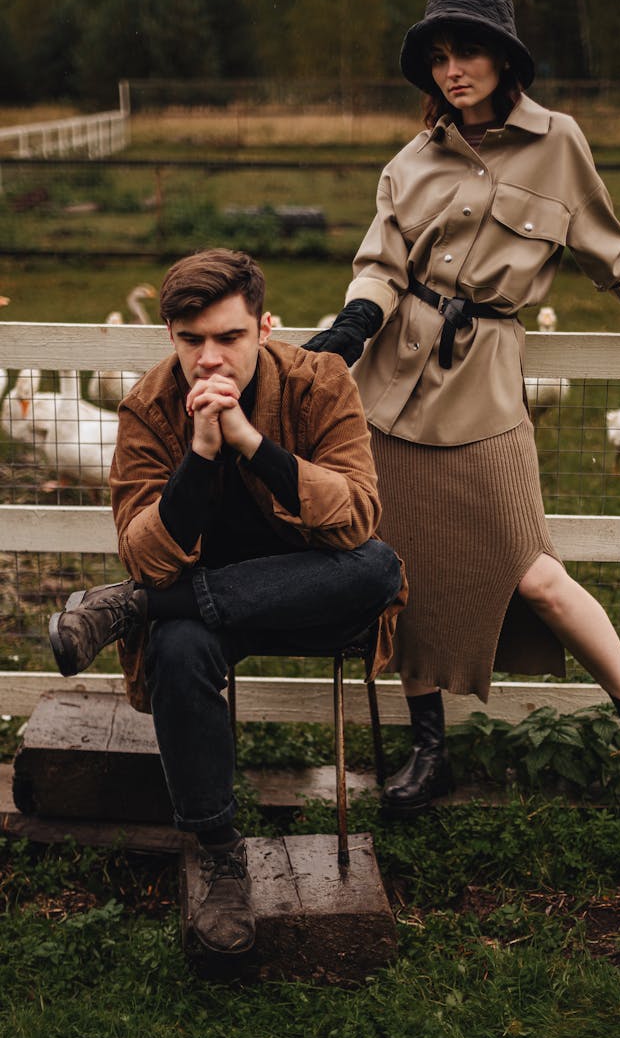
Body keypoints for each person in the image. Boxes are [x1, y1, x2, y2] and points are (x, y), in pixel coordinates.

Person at [305, 0, 620, 827]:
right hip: (390, 392)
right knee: (396, 572)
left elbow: (610, 252)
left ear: (504, 58)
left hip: (485, 390)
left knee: (537, 574)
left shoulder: (559, 143)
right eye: (438, 58)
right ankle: (428, 745)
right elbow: (380, 265)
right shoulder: (409, 162)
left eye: (465, 52)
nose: (451, 71)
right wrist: (353, 326)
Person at [48, 248, 405, 956]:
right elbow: (145, 553)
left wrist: (251, 441)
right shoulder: (151, 407)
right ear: (171, 339)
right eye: (191, 340)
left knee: (377, 566)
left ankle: (145, 609)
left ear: (265, 327)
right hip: (212, 609)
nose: (210, 358)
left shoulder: (319, 381)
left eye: (229, 337)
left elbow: (358, 514)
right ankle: (220, 857)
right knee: (178, 651)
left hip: (313, 588)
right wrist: (203, 455)